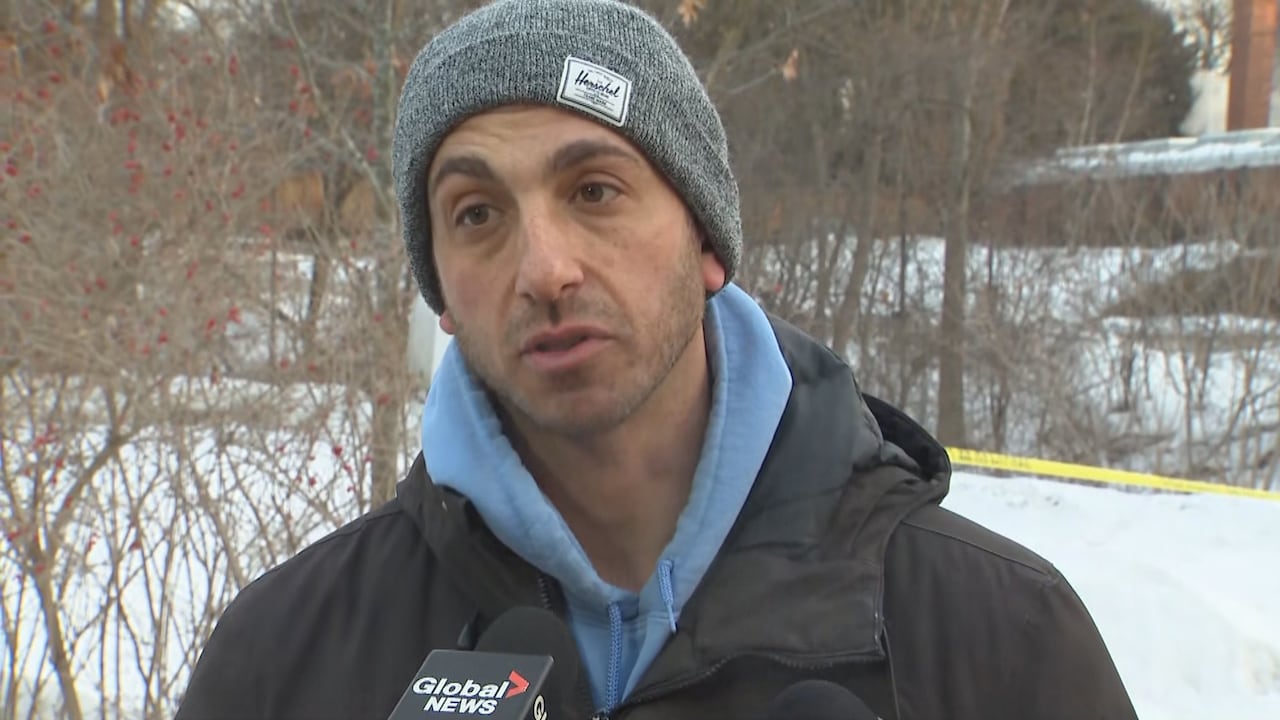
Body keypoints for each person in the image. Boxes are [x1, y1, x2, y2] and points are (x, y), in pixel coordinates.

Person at [176, 1, 1138, 718]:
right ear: (443, 295)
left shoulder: (999, 639)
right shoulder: (283, 661)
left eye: (595, 191)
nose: (544, 270)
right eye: (476, 215)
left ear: (707, 242)